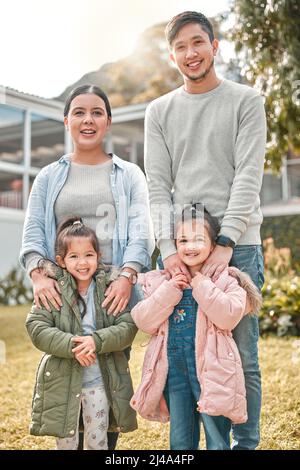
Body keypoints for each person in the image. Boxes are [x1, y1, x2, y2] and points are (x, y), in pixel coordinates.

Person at [144, 11, 266, 449]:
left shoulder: (246, 100)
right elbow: (157, 186)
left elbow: (249, 175)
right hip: (186, 252)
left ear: (214, 47)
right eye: (180, 46)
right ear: (172, 54)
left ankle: (244, 444)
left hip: (240, 248)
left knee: (241, 356)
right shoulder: (159, 111)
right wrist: (166, 247)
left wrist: (228, 240)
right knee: (190, 360)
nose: (190, 53)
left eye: (198, 43)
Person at [20, 84, 154, 448]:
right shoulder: (49, 176)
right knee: (68, 381)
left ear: (108, 121)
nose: (88, 119)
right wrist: (37, 274)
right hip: (65, 293)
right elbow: (33, 228)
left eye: (97, 112)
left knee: (108, 384)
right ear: (67, 121)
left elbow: (143, 231)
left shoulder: (129, 174)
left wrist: (127, 277)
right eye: (79, 112)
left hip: (112, 294)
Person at [130, 206, 262, 450]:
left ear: (213, 246)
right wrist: (170, 290)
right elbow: (143, 320)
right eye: (183, 240)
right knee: (180, 441)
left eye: (198, 240)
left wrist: (200, 284)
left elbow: (228, 317)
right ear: (174, 245)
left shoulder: (226, 279)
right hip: (175, 375)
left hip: (214, 374)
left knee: (216, 440)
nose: (190, 246)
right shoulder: (163, 281)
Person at [26, 217, 137, 450]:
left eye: (88, 255)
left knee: (98, 441)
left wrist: (95, 342)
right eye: (74, 256)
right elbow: (37, 327)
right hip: (64, 383)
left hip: (99, 384)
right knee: (66, 442)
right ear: (62, 261)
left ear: (98, 256)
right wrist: (73, 345)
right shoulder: (53, 288)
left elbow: (127, 326)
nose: (82, 262)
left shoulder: (109, 287)